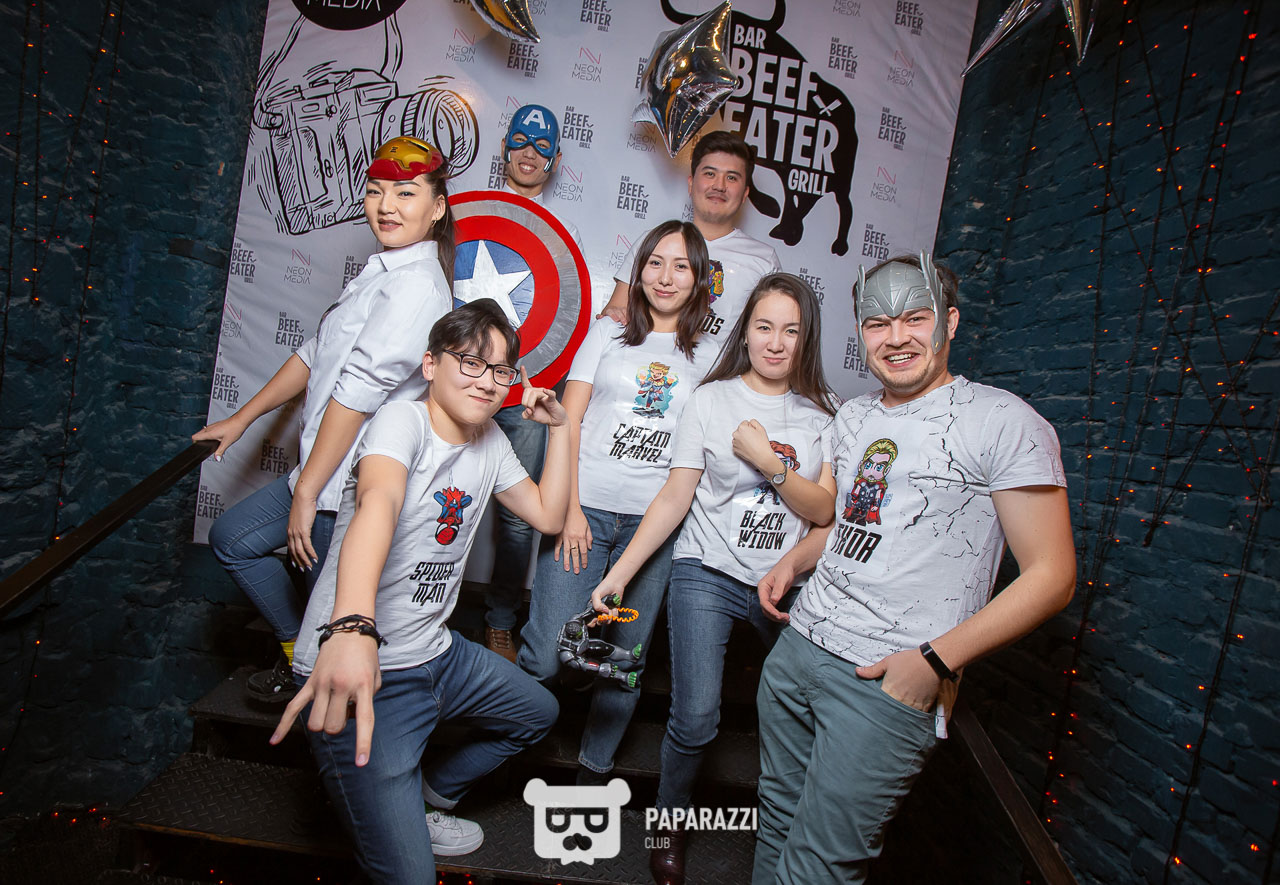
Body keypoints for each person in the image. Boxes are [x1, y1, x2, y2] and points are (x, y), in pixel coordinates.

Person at [751, 254, 1077, 884]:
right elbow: (849, 521)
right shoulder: (855, 415)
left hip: (881, 681)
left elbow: (1052, 575)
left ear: (949, 322)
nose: (895, 337)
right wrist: (794, 559)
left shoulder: (1003, 420)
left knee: (817, 866)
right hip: (798, 650)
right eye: (877, 324)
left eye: (915, 318)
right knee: (777, 826)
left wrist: (932, 662)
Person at [270, 300, 568, 884]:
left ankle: (430, 796)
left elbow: (548, 515)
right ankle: (385, 811)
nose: (486, 381)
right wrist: (351, 628)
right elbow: (377, 505)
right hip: (361, 666)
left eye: (500, 370)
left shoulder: (490, 440)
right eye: (470, 362)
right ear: (430, 365)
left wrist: (561, 429)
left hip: (437, 655)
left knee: (538, 712)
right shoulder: (400, 422)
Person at [587, 274, 839, 885]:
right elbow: (676, 495)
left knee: (809, 715)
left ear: (806, 338)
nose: (775, 342)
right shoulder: (710, 399)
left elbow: (825, 512)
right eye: (764, 326)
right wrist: (620, 574)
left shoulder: (826, 414)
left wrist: (768, 462)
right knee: (697, 718)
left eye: (791, 330)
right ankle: (668, 823)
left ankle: (791, 842)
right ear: (744, 331)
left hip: (786, 583)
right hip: (707, 571)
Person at [195, 137, 458, 704]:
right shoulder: (381, 270)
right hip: (319, 472)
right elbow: (315, 354)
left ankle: (321, 699)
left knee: (338, 632)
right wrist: (241, 419)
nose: (386, 206)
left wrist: (308, 492)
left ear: (437, 207)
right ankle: (298, 655)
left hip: (347, 491)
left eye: (405, 194)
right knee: (233, 540)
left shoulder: (417, 285)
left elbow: (358, 394)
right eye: (376, 191)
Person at [516, 220, 718, 782]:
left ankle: (593, 771)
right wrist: (571, 510)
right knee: (548, 652)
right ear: (640, 270)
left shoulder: (713, 355)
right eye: (655, 262)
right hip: (586, 511)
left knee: (627, 658)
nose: (666, 277)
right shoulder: (608, 333)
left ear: (700, 278)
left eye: (681, 266)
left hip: (653, 528)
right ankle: (514, 738)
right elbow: (570, 420)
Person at [459, 103, 585, 664]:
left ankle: (501, 622)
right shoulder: (467, 215)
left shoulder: (560, 237)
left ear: (554, 160)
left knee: (518, 518)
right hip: (459, 383)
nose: (529, 154)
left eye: (542, 147)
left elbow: (568, 313)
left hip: (524, 393)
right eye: (520, 142)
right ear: (504, 148)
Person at [600, 130, 780, 344]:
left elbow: (771, 337)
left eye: (731, 177)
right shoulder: (655, 242)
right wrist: (613, 315)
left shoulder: (764, 260)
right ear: (691, 183)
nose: (719, 186)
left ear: (744, 194)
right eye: (710, 174)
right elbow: (616, 311)